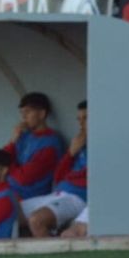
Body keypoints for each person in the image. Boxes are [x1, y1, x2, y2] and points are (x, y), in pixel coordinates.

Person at [25, 100, 87, 237]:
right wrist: (70, 153)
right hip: (59, 193)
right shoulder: (79, 143)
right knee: (10, 210)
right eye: (79, 119)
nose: (81, 124)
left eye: (86, 118)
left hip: (78, 197)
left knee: (36, 220)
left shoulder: (100, 143)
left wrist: (71, 176)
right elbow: (58, 177)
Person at [4, 91, 64, 199]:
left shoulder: (50, 143)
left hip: (28, 196)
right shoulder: (23, 135)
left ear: (41, 114)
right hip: (8, 190)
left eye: (28, 112)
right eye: (22, 113)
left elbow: (23, 178)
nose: (24, 117)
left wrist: (6, 169)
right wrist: (13, 141)